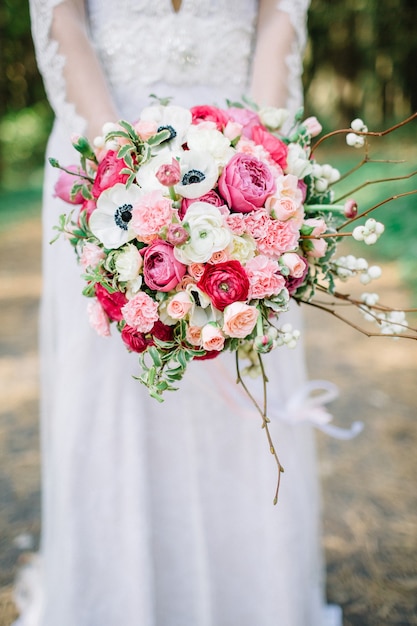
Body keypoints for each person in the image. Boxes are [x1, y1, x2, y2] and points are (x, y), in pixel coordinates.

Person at [15, 1, 342, 624]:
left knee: (245, 383)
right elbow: (64, 17)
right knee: (116, 387)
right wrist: (120, 172)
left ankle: (255, 598)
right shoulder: (107, 165)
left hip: (239, 153)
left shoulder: (251, 163)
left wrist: (261, 157)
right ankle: (120, 599)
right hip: (101, 151)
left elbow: (279, 13)